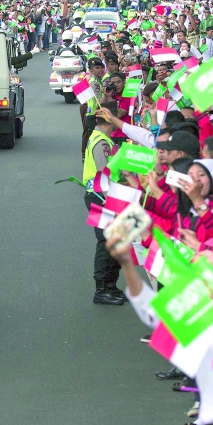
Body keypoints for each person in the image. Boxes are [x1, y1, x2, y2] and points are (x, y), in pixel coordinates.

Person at [81, 102, 124, 305]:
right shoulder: (102, 142)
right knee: (106, 244)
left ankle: (111, 286)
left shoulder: (101, 137)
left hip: (101, 196)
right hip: (101, 197)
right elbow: (104, 174)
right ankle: (102, 289)